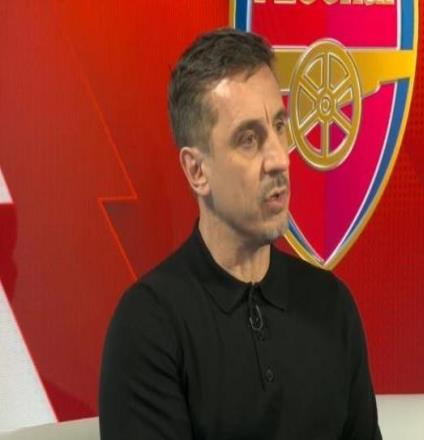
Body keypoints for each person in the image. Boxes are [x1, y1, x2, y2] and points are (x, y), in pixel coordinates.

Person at [99, 28, 382, 440]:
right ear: (197, 171)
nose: (279, 159)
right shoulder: (148, 326)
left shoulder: (332, 306)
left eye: (279, 127)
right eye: (248, 140)